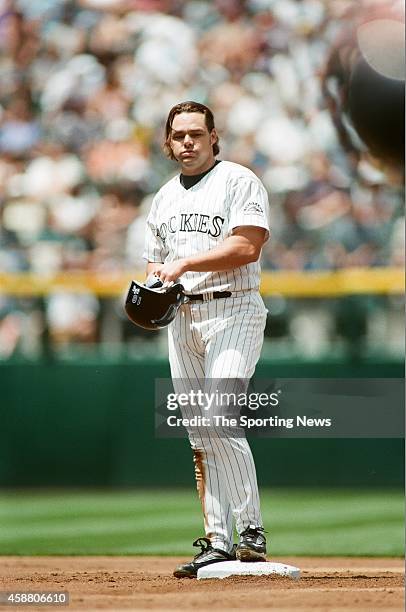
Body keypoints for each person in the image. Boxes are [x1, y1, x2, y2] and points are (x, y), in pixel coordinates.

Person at [143, 101, 270, 578]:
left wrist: (182, 266)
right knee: (199, 430)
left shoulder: (239, 181)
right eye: (179, 135)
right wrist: (154, 286)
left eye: (197, 133)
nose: (188, 142)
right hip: (183, 318)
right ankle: (218, 539)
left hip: (234, 307)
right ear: (168, 142)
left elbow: (247, 245)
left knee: (219, 414)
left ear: (214, 137)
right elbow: (156, 264)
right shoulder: (162, 198)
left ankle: (251, 531)